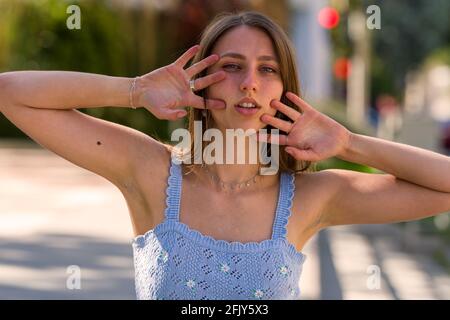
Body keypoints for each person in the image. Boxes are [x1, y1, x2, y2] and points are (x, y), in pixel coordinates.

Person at [0, 11, 449, 300]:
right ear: (203, 81)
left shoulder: (313, 197)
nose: (249, 83)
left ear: (283, 90)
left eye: (267, 70)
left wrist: (350, 143)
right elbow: (12, 93)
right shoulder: (151, 170)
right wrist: (134, 90)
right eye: (232, 66)